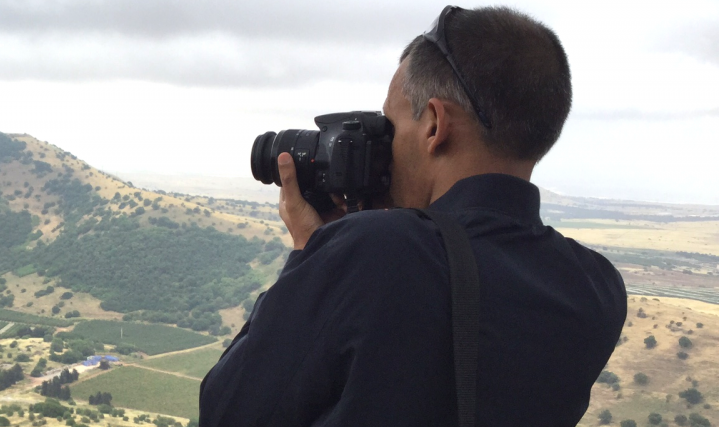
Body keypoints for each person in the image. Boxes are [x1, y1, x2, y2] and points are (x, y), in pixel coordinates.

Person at [200, 5, 626, 426]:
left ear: (435, 126)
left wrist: (312, 252)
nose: (385, 145)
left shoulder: (376, 252)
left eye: (390, 124)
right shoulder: (597, 288)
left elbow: (228, 411)